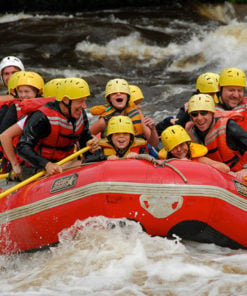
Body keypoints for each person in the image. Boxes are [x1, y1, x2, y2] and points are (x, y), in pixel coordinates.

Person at [16, 77, 98, 179]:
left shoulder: (80, 114)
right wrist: (46, 164)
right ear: (65, 100)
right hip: (37, 168)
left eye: (85, 101)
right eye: (80, 101)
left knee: (96, 159)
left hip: (65, 164)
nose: (84, 106)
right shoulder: (41, 117)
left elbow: (84, 140)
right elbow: (22, 147)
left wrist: (90, 144)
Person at [185, 93, 247, 180]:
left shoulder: (229, 127)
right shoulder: (190, 131)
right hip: (214, 175)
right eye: (195, 114)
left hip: (238, 174)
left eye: (204, 113)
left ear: (212, 113)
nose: (199, 118)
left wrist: (245, 169)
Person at [90, 78, 159, 147]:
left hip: (135, 154)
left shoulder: (138, 116)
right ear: (109, 99)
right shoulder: (104, 121)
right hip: (110, 155)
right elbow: (87, 138)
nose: (118, 94)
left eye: (122, 92)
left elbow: (154, 144)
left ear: (128, 97)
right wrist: (95, 142)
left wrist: (153, 129)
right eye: (114, 93)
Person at [155, 72, 220, 135]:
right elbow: (179, 126)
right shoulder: (188, 108)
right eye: (209, 94)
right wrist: (168, 121)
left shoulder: (226, 103)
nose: (213, 98)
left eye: (216, 94)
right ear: (199, 93)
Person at [158, 124, 230, 173]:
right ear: (169, 150)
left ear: (187, 144)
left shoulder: (199, 160)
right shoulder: (164, 164)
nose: (179, 150)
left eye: (182, 145)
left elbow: (225, 168)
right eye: (174, 147)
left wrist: (192, 166)